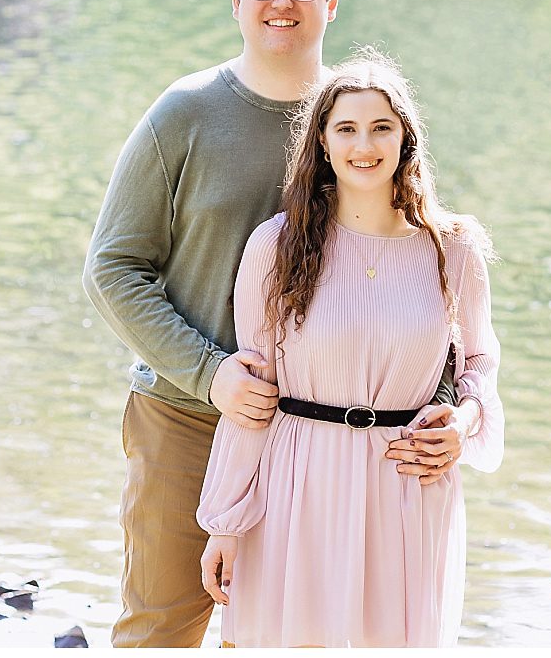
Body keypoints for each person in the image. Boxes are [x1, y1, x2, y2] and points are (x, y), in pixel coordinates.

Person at [83, 0, 340, 647]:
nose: (280, 2)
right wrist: (210, 372)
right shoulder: (186, 113)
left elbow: (420, 272)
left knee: (280, 635)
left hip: (316, 431)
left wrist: (450, 400)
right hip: (185, 418)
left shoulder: (357, 120)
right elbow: (112, 268)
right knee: (159, 630)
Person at [195, 50, 504, 647]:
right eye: (347, 128)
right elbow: (253, 392)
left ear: (406, 139)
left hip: (408, 483)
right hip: (299, 481)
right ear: (323, 142)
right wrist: (225, 522)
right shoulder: (276, 245)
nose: (365, 145)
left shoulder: (453, 248)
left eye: (381, 127)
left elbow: (480, 364)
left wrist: (465, 423)